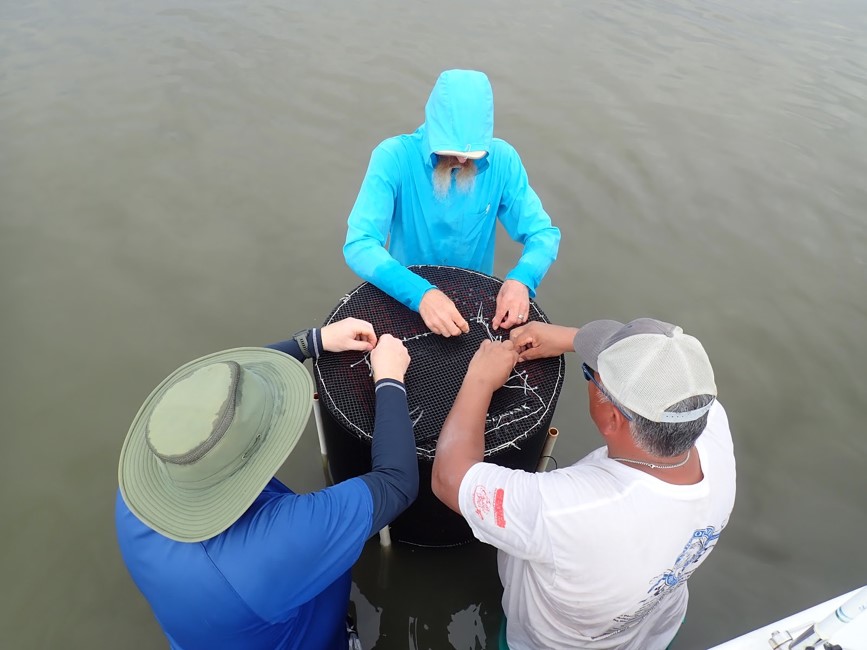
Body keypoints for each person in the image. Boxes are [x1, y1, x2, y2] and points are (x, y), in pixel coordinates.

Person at [115, 318, 419, 650]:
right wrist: (390, 378)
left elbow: (220, 401)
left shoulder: (136, 497)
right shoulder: (279, 541)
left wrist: (310, 343)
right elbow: (396, 483)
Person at [432, 318, 736, 649]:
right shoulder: (710, 425)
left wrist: (479, 379)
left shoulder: (568, 509)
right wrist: (571, 340)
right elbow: (662, 375)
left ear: (612, 418)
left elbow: (449, 479)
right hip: (656, 625)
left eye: (590, 374)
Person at [343, 69, 561, 338]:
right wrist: (421, 294)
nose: (461, 162)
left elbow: (543, 234)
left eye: (472, 155)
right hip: (403, 293)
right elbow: (359, 244)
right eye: (453, 152)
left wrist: (522, 279)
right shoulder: (392, 157)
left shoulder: (504, 160)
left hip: (473, 300)